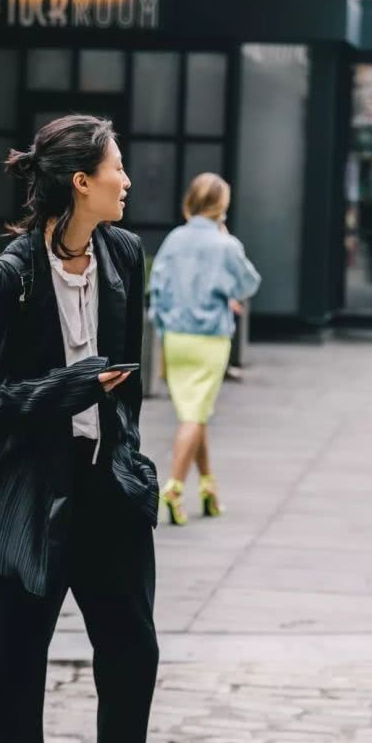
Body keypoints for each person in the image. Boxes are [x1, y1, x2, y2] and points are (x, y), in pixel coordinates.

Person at [0, 114, 193, 743]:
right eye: (117, 167)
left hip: (107, 489)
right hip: (33, 494)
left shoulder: (123, 252)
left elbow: (131, 378)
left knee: (134, 660)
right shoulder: (8, 275)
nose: (128, 180)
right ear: (81, 181)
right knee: (12, 673)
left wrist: (131, 462)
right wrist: (68, 388)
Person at [149, 173, 261, 526]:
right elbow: (249, 283)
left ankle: (209, 489)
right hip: (210, 338)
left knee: (196, 413)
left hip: (175, 338)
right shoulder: (225, 245)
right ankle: (175, 486)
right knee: (195, 415)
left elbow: (157, 287)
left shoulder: (174, 239)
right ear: (221, 206)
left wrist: (164, 325)